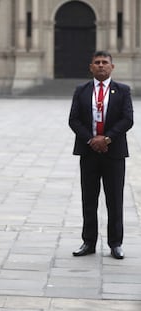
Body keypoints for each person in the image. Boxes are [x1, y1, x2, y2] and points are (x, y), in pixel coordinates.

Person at [69, 50, 133, 259]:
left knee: (114, 199)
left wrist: (106, 139)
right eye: (97, 62)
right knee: (89, 198)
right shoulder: (81, 90)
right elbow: (74, 119)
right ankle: (88, 242)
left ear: (112, 67)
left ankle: (115, 243)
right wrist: (92, 139)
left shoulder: (122, 90)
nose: (101, 65)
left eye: (105, 62)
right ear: (91, 67)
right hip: (88, 152)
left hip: (113, 153)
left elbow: (127, 119)